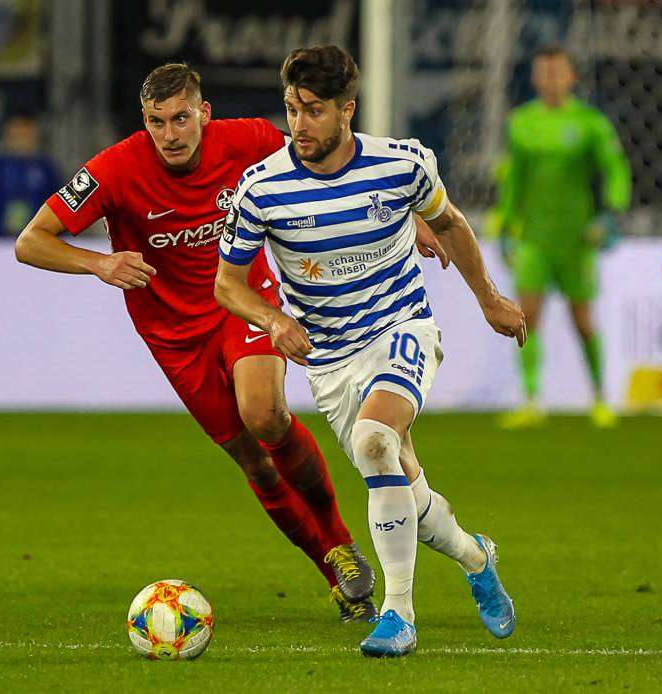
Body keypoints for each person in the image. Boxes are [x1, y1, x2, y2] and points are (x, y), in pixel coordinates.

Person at [14, 63, 449, 621]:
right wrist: (98, 262)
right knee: (253, 460)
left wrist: (407, 217)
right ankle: (334, 567)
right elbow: (32, 242)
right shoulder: (116, 168)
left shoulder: (249, 140)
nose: (169, 134)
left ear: (204, 114)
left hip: (242, 300)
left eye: (180, 119)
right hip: (173, 335)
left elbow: (332, 167)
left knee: (265, 416)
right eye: (156, 122)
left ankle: (340, 543)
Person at [216, 45, 526, 658]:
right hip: (329, 359)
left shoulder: (403, 165)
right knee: (403, 488)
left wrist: (489, 299)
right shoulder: (261, 188)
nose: (299, 124)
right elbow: (227, 283)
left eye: (312, 110)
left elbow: (455, 224)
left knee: (373, 440)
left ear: (346, 110)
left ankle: (398, 614)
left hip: (401, 327)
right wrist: (273, 318)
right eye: (291, 110)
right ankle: (475, 556)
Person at [493, 45, 631, 429]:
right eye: (544, 72)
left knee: (583, 319)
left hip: (578, 238)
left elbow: (615, 169)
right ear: (536, 77)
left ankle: (602, 398)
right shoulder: (521, 123)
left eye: (558, 72)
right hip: (535, 238)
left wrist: (611, 213)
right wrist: (503, 226)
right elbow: (513, 179)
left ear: (572, 76)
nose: (551, 79)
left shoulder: (590, 123)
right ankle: (532, 399)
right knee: (526, 316)